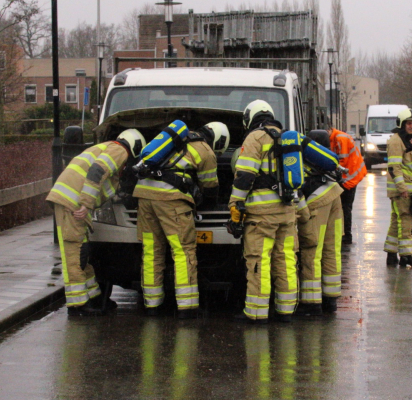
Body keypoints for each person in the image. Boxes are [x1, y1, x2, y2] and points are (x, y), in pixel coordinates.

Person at [133, 121, 228, 319]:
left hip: (144, 196)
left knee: (151, 251)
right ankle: (187, 307)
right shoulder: (205, 150)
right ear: (218, 141)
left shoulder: (175, 140)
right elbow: (210, 188)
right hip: (171, 201)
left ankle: (152, 305)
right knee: (183, 251)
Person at [47, 129, 145, 316]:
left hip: (71, 202)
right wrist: (86, 204)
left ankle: (96, 299)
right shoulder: (119, 150)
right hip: (73, 204)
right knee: (75, 256)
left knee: (83, 255)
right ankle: (77, 305)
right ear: (135, 146)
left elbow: (103, 183)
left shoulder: (108, 148)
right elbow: (97, 171)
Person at [229, 100, 299, 323]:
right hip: (287, 211)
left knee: (259, 261)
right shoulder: (287, 136)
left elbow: (245, 176)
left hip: (262, 214)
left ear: (250, 117)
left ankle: (256, 313)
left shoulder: (255, 138)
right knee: (286, 260)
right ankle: (286, 311)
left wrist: (234, 205)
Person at [296, 129, 344, 316]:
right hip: (334, 195)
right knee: (331, 250)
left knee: (312, 250)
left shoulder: (306, 157)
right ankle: (330, 300)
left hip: (318, 200)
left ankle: (311, 304)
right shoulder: (327, 160)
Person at [384, 108, 412, 268]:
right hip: (403, 191)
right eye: (408, 123)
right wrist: (402, 188)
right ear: (401, 124)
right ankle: (406, 256)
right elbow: (394, 167)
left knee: (396, 222)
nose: (411, 126)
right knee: (406, 222)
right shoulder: (396, 141)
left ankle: (391, 255)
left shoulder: (408, 140)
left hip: (408, 190)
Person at [329, 127, 367, 244]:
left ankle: (347, 235)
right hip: (350, 176)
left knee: (345, 207)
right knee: (345, 207)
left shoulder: (340, 138)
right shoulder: (335, 138)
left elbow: (343, 161)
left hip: (350, 177)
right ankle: (345, 234)